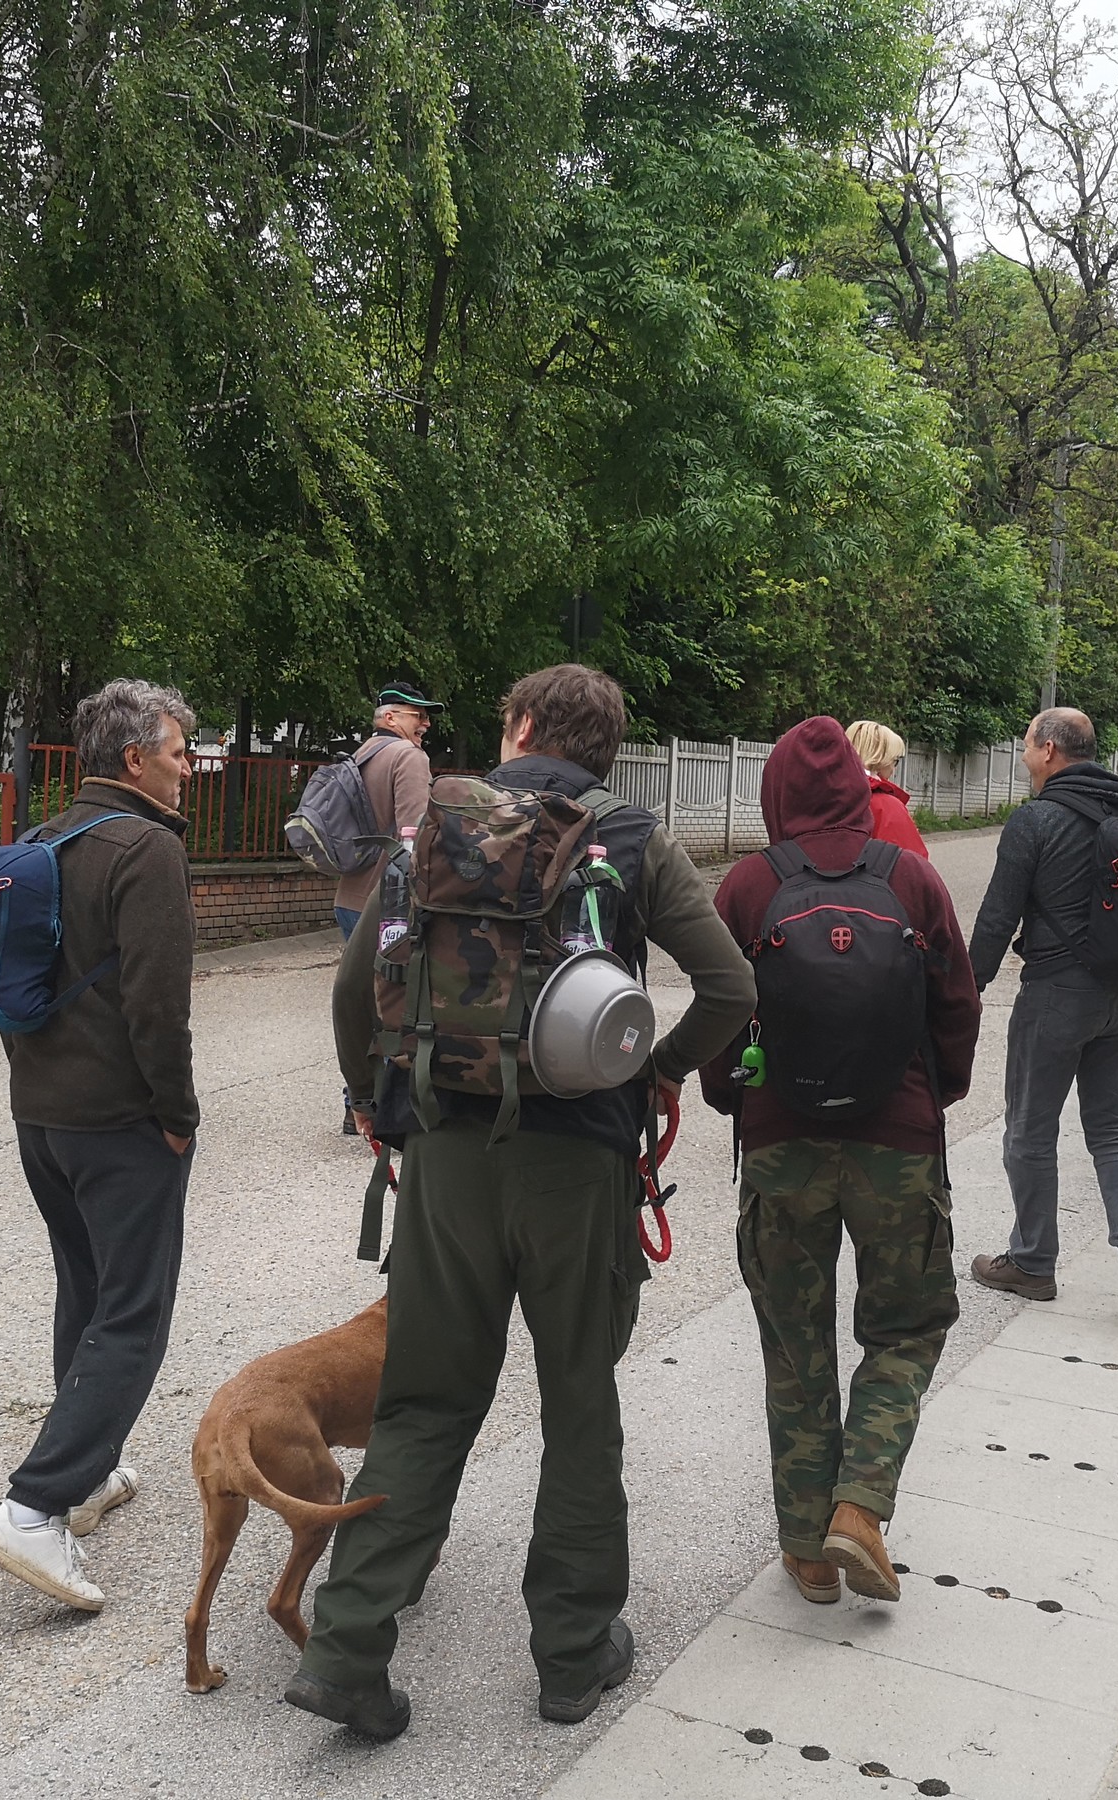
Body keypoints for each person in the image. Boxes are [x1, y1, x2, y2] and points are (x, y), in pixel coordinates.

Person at [291, 664, 756, 1740]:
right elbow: (731, 986)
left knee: (423, 1401)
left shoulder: (433, 831)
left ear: (524, 726)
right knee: (578, 1400)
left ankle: (347, 1647)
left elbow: (354, 990)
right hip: (578, 1163)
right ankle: (573, 1654)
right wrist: (656, 1072)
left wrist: (372, 1101)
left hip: (445, 1156)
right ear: (601, 747)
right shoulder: (632, 838)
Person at [701, 717, 979, 1608]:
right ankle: (860, 1503)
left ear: (774, 792)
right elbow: (958, 1004)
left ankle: (808, 1554)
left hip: (781, 1143)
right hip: (899, 1142)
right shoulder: (911, 878)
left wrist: (732, 1096)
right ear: (862, 790)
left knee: (795, 1345)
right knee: (906, 1327)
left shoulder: (749, 884)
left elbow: (719, 1010)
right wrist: (933, 1096)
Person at [0, 679, 201, 1613]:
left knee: (87, 1289)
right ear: (135, 759)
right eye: (179, 753)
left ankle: (90, 1472)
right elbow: (158, 1006)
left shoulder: (44, 839)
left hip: (42, 1117)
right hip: (120, 1123)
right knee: (134, 1312)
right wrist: (177, 1113)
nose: (188, 769)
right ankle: (35, 1506)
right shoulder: (147, 849)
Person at [965, 707, 1118, 1313]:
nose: (1024, 755)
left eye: (1027, 744)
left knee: (1030, 1127)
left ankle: (1032, 1262)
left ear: (1050, 750)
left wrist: (964, 992)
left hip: (1056, 994)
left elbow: (997, 918)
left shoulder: (1036, 819)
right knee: (1114, 1123)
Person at [333, 684, 439, 1132]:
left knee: (361, 1000)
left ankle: (356, 1099)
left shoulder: (360, 756)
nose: (426, 724)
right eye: (418, 714)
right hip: (388, 905)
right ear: (391, 717)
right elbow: (416, 837)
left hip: (348, 897)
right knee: (391, 1006)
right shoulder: (409, 758)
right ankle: (377, 1106)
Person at [844, 719, 928, 859]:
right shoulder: (886, 806)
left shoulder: (822, 796)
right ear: (880, 758)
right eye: (895, 761)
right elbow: (913, 862)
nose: (893, 769)